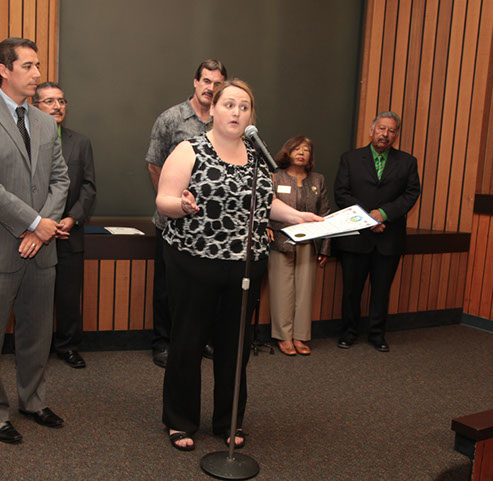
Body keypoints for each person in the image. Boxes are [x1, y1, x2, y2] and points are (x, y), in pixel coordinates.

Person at [156, 79, 323, 451]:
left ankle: (228, 420)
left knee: (235, 347)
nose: (236, 112)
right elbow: (164, 199)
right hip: (194, 262)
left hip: (245, 267)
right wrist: (181, 205)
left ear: (251, 116)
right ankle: (180, 420)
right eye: (229, 104)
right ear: (212, 109)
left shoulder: (257, 158)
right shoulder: (189, 149)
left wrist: (295, 216)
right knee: (188, 343)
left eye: (244, 107)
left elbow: (264, 204)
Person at [0, 37, 70, 444]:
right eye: (29, 66)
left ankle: (33, 401)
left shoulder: (44, 121)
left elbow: (61, 179)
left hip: (41, 247)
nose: (37, 74)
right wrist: (33, 223)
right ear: (4, 69)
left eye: (38, 66)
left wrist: (43, 228)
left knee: (37, 332)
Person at [146, 59, 227, 368]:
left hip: (210, 227)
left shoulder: (224, 121)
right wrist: (167, 202)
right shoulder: (172, 118)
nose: (211, 88)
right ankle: (163, 342)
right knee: (168, 287)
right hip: (173, 221)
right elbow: (154, 164)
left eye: (217, 83)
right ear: (195, 82)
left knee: (204, 287)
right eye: (206, 81)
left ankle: (202, 338)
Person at [333, 111, 421, 352]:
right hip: (357, 237)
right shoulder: (350, 159)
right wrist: (367, 218)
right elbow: (341, 193)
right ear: (372, 130)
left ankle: (377, 334)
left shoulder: (407, 162)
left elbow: (411, 194)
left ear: (396, 136)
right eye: (382, 129)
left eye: (391, 131)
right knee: (351, 290)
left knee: (382, 290)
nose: (386, 134)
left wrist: (384, 214)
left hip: (389, 237)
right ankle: (348, 332)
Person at [33, 82, 96, 369]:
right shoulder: (26, 140)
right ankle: (35, 349)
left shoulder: (80, 142)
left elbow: (88, 187)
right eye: (49, 101)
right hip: (33, 231)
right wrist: (40, 221)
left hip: (69, 232)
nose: (58, 106)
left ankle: (68, 347)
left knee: (69, 296)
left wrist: (72, 218)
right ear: (35, 106)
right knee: (35, 296)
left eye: (61, 101)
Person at [267, 136, 330, 356]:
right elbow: (265, 206)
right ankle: (284, 336)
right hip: (280, 241)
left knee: (305, 291)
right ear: (288, 151)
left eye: (306, 150)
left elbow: (325, 215)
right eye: (297, 149)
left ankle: (300, 335)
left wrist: (324, 248)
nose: (302, 153)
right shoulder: (275, 177)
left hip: (309, 243)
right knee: (282, 290)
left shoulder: (318, 180)